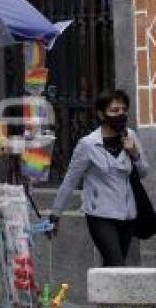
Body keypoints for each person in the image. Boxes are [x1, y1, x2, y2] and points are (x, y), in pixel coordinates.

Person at [49, 89, 150, 267]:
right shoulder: (88, 144)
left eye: (124, 109)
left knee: (112, 268)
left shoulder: (130, 136)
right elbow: (70, 180)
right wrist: (55, 214)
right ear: (101, 114)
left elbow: (143, 172)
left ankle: (104, 296)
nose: (120, 114)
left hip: (127, 215)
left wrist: (134, 154)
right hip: (100, 215)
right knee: (117, 265)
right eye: (114, 110)